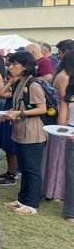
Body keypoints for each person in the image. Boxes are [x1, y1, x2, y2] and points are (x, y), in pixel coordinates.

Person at [2, 52, 47, 214]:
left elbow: (41, 108)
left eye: (14, 64)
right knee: (24, 168)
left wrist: (19, 114)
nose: (10, 67)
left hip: (33, 134)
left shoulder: (33, 84)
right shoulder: (20, 82)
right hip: (21, 133)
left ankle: (32, 205)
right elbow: (21, 106)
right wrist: (10, 112)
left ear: (25, 66)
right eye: (10, 64)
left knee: (32, 169)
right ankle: (22, 199)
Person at [41, 51, 74, 202]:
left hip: (57, 116)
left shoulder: (59, 74)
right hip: (63, 117)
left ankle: (50, 188)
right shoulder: (65, 78)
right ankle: (55, 191)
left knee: (54, 154)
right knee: (59, 157)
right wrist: (64, 123)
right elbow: (64, 101)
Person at [0, 71, 20, 186]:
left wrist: (10, 83)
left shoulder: (18, 93)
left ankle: (12, 173)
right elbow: (0, 93)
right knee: (7, 146)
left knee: (12, 147)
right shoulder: (12, 92)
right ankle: (10, 171)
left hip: (13, 119)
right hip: (7, 116)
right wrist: (9, 84)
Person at [58, 72, 74, 223]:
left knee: (71, 175)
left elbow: (61, 121)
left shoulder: (68, 98)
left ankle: (70, 212)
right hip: (71, 135)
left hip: (70, 134)